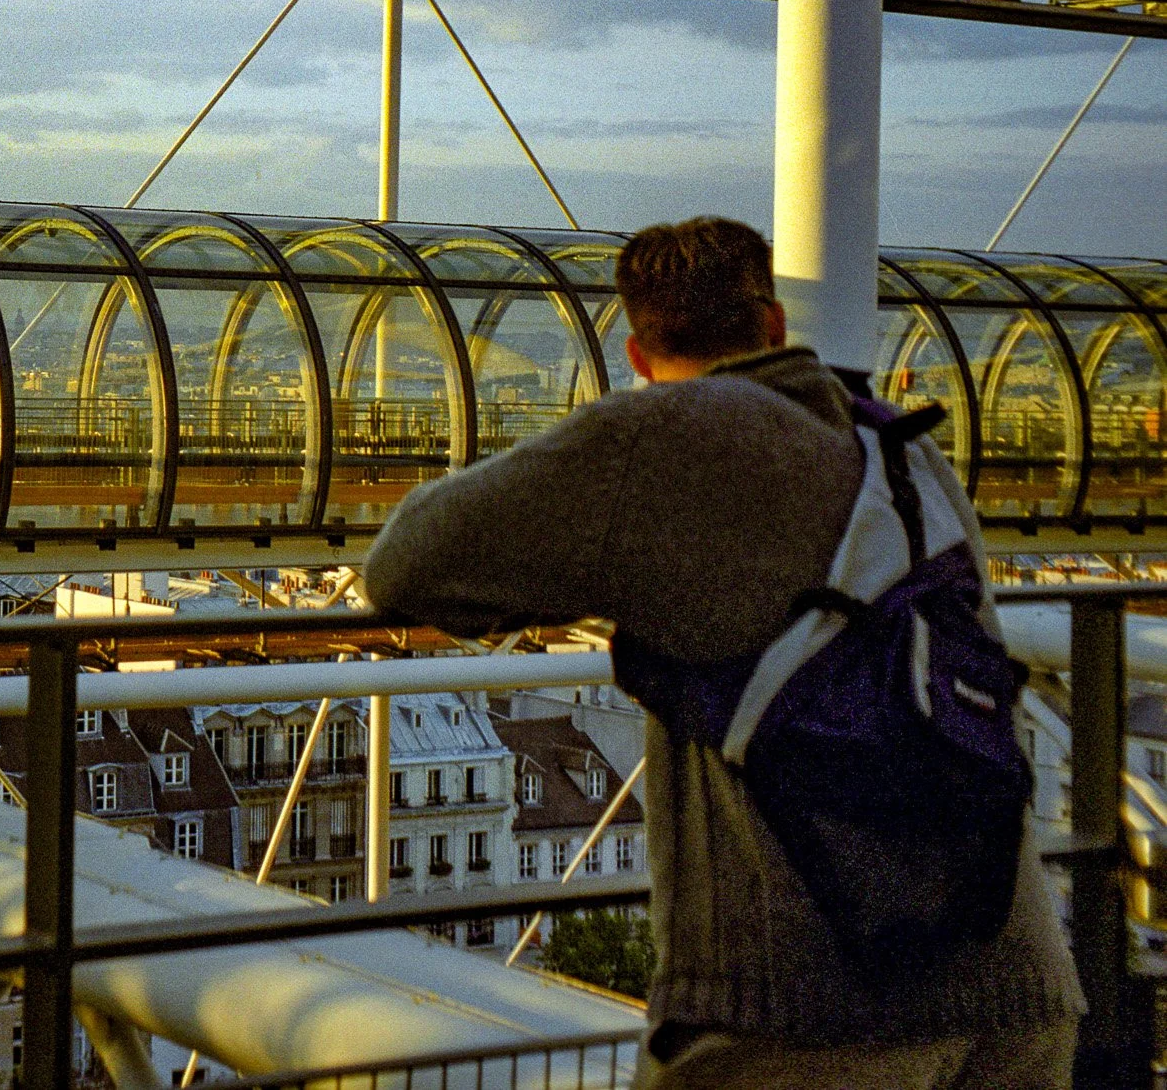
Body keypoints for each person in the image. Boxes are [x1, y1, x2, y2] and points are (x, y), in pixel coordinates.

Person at [363, 217, 1079, 1089]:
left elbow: (404, 566)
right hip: (1017, 987)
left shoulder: (653, 439)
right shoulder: (900, 441)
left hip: (804, 1010)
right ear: (775, 325)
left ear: (637, 347)